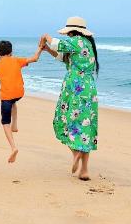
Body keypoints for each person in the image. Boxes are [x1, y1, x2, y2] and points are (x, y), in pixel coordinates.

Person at [40, 16, 100, 181]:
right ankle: (84, 170)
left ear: (72, 31)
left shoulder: (76, 41)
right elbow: (64, 57)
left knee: (65, 120)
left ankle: (75, 152)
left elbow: (58, 44)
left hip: (74, 87)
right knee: (85, 125)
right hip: (89, 89)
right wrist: (47, 50)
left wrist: (46, 36)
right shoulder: (87, 44)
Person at [0, 40, 42, 163]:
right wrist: (40, 48)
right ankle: (15, 125)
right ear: (11, 52)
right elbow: (35, 58)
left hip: (6, 97)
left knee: (5, 121)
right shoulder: (16, 60)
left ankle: (13, 148)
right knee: (14, 101)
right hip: (19, 93)